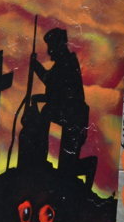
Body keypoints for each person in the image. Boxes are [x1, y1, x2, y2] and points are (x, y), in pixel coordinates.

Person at [29, 27, 88, 174]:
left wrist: (35, 65)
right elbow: (54, 91)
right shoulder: (64, 63)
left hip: (74, 117)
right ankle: (40, 156)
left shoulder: (67, 62)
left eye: (51, 46)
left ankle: (41, 156)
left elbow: (51, 83)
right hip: (71, 114)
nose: (49, 51)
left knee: (67, 168)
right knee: (66, 168)